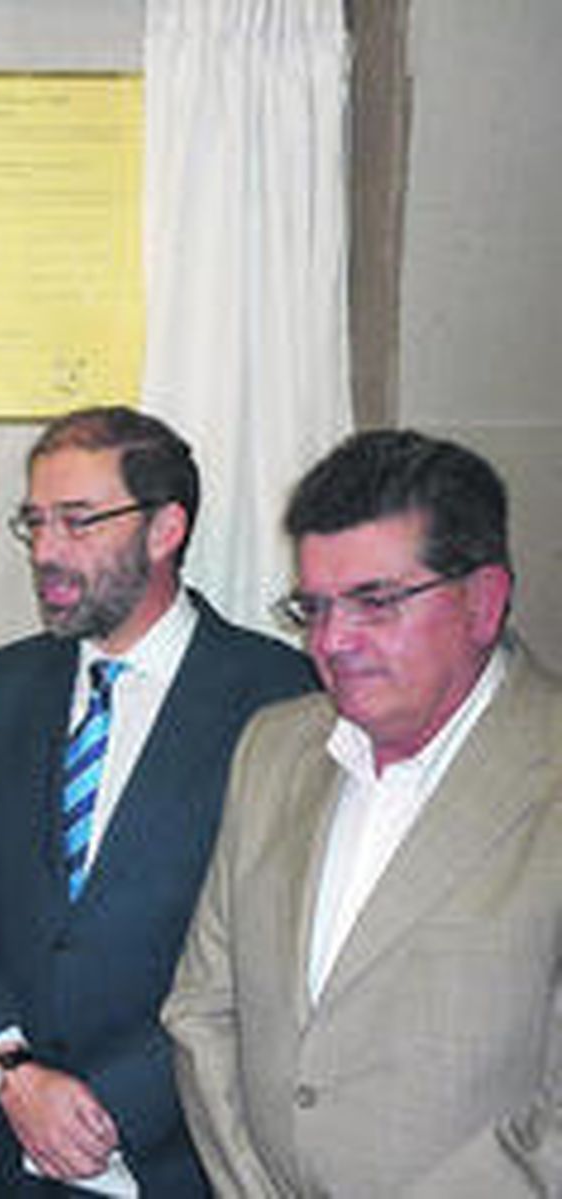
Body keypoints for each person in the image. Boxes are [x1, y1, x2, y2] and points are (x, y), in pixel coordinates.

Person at [163, 429, 562, 1196]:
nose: (332, 641)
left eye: (375, 602)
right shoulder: (273, 748)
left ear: (483, 601)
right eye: (313, 607)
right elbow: (203, 1008)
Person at [0, 407, 313, 1197]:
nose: (46, 551)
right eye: (35, 522)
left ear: (165, 527)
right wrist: (10, 1068)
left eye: (78, 521)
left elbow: (274, 954)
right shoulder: (9, 682)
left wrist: (111, 1104)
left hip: (179, 1155)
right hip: (8, 1152)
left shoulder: (277, 698)